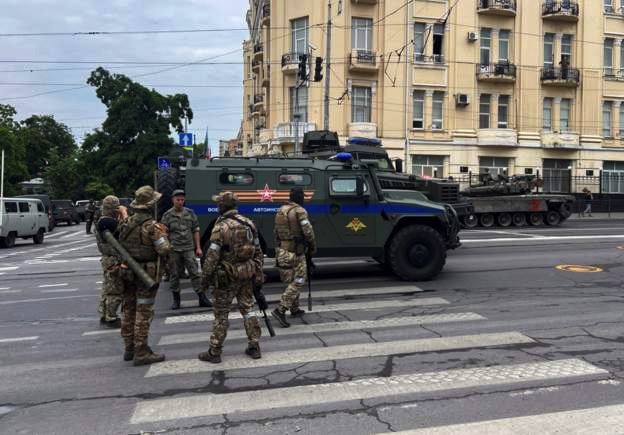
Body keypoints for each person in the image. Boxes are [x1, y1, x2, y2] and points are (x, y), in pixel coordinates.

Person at [198, 191, 263, 363]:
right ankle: (254, 345)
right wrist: (258, 272)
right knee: (248, 310)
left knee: (221, 314)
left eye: (218, 204)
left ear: (222, 206)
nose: (217, 206)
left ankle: (215, 351)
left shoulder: (220, 227)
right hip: (246, 273)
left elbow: (212, 257)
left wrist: (204, 281)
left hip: (226, 277)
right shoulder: (249, 223)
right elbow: (258, 251)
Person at [118, 186, 171, 366]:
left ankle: (129, 348)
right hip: (146, 274)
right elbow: (164, 249)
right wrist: (165, 235)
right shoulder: (153, 226)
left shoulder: (126, 223)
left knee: (128, 310)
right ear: (151, 205)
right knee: (143, 312)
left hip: (128, 272)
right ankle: (141, 352)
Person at [271, 187, 316, 328]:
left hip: (283, 251)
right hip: (296, 251)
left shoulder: (281, 210)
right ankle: (281, 309)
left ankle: (294, 309)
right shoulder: (299, 211)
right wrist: (312, 247)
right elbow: (308, 232)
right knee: (299, 280)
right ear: (300, 198)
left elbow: (276, 233)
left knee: (291, 279)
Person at [160, 189, 211, 310]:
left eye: (182, 200)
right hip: (174, 249)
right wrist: (165, 248)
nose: (180, 202)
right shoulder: (167, 215)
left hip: (188, 248)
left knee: (195, 273)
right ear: (173, 200)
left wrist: (198, 247)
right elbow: (163, 233)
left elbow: (195, 230)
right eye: (178, 200)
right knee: (174, 275)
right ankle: (176, 300)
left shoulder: (190, 213)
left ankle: (202, 298)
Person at [95, 195, 128, 327]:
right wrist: (124, 213)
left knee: (107, 287)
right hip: (113, 259)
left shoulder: (102, 220)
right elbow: (126, 229)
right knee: (115, 288)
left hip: (108, 258)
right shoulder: (107, 222)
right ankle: (111, 316)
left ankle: (104, 313)